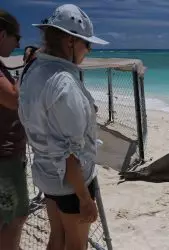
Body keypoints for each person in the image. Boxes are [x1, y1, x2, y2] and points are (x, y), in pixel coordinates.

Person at [18, 4, 109, 250]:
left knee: (57, 237)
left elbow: (44, 119)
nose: (88, 51)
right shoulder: (65, 84)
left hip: (47, 176)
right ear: (70, 41)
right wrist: (84, 198)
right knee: (77, 245)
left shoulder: (33, 70)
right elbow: (69, 153)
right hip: (71, 183)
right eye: (86, 44)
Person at [0, 9, 29, 250]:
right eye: (17, 38)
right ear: (1, 34)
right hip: (4, 161)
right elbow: (14, 100)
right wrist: (26, 68)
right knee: (14, 216)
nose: (18, 44)